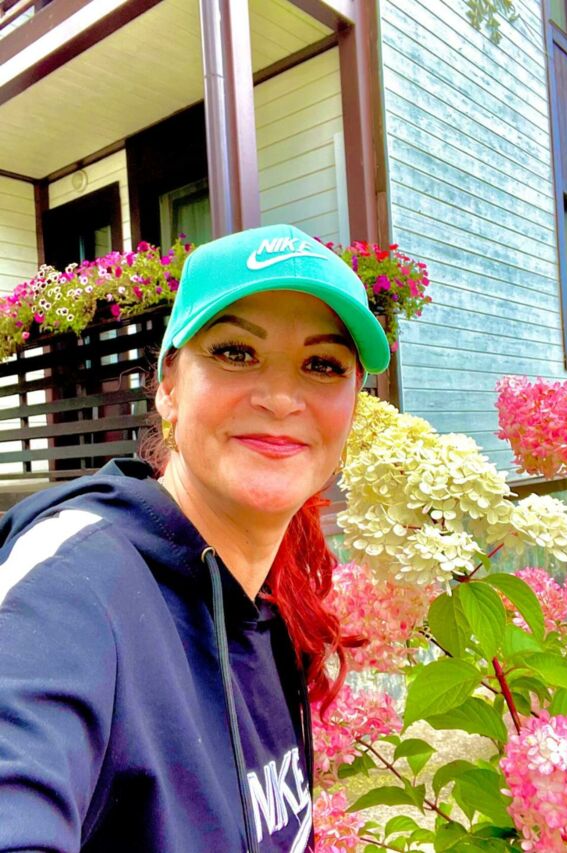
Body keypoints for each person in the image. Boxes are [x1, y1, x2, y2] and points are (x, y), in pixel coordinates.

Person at [0, 223, 390, 852]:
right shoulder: (73, 586)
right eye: (236, 352)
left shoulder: (270, 604)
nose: (281, 398)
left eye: (322, 364)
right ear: (169, 388)